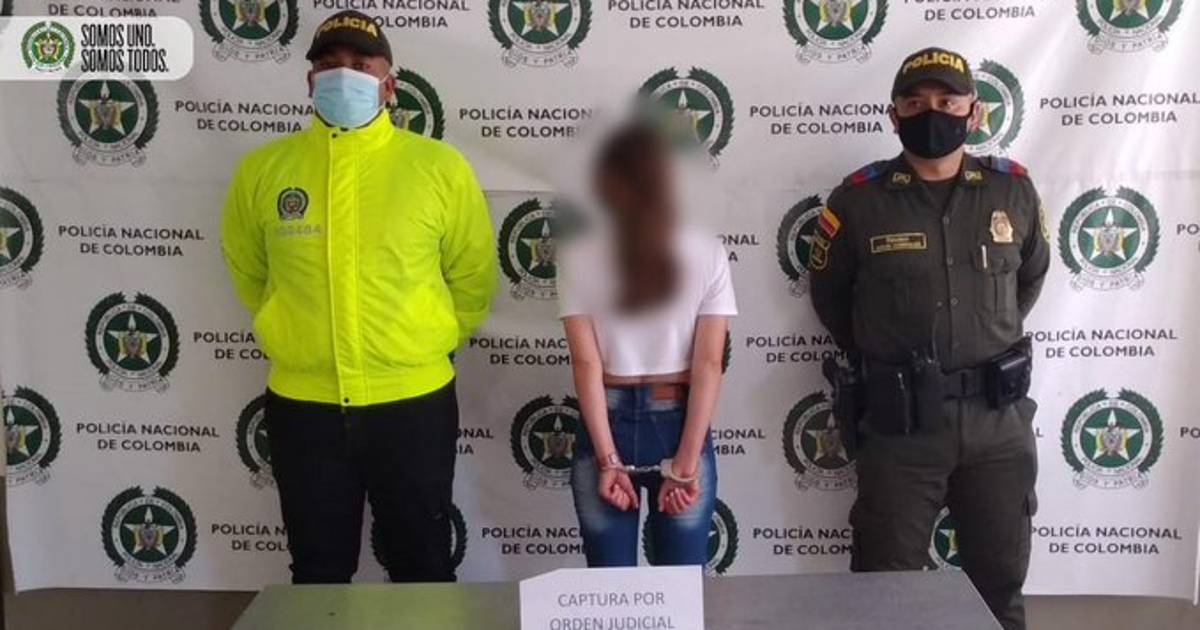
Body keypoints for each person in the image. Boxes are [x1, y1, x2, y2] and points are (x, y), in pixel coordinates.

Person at [219, 10, 496, 584]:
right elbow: (250, 271)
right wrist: (290, 328)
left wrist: (422, 343)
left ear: (389, 84)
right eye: (328, 64)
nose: (343, 75)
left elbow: (472, 277)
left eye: (360, 65)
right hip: (304, 407)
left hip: (413, 402)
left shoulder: (439, 169)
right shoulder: (263, 171)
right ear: (309, 81)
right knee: (317, 570)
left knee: (422, 564)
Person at [809, 47, 1050, 630]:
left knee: (999, 589)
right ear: (894, 116)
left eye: (948, 101)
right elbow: (831, 299)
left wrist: (980, 338)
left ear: (975, 112)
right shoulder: (858, 201)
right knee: (885, 595)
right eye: (915, 103)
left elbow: (1030, 277)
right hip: (902, 429)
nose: (932, 113)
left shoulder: (1013, 191)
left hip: (997, 426)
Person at [557, 121, 737, 567]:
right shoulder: (708, 250)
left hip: (606, 419)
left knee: (609, 592)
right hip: (680, 420)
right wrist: (687, 461)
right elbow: (708, 364)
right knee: (681, 591)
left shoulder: (575, 253)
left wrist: (608, 460)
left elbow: (586, 365)